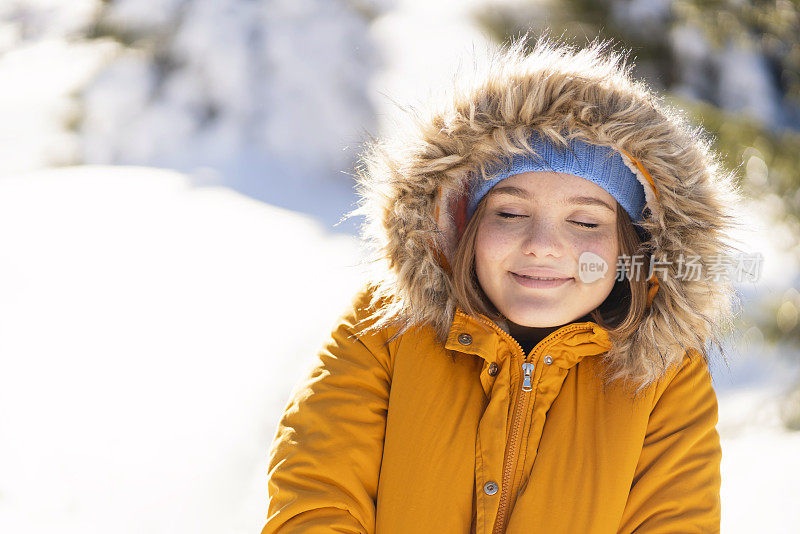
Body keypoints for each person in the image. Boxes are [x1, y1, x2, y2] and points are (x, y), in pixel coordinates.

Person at [260, 33, 743, 534]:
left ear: (632, 250)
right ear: (461, 224)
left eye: (584, 222)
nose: (542, 245)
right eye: (510, 212)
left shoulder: (663, 381)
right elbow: (316, 498)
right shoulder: (384, 334)